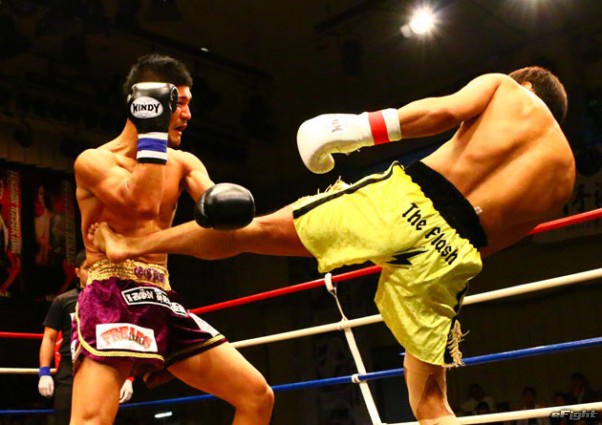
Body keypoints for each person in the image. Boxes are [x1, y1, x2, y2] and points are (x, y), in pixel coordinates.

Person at [89, 66, 575, 424]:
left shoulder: (510, 90)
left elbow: (439, 113)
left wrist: (355, 130)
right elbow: (494, 244)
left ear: (529, 87)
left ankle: (131, 245)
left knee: (254, 231)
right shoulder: (565, 178)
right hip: (455, 254)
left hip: (405, 202)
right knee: (432, 405)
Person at [72, 53, 273, 425]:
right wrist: (151, 131)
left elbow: (224, 226)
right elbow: (142, 204)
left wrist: (227, 208)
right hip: (111, 294)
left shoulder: (185, 163)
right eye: (179, 103)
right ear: (147, 102)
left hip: (162, 296)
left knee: (256, 397)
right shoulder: (94, 162)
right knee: (92, 420)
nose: (187, 114)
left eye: (188, 104)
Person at [38, 251, 135, 425]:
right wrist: (44, 372)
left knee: (102, 418)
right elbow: (49, 338)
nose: (93, 273)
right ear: (77, 272)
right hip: (69, 368)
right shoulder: (63, 301)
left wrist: (128, 377)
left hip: (103, 365)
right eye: (88, 268)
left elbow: (124, 336)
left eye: (97, 268)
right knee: (66, 418)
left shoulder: (112, 300)